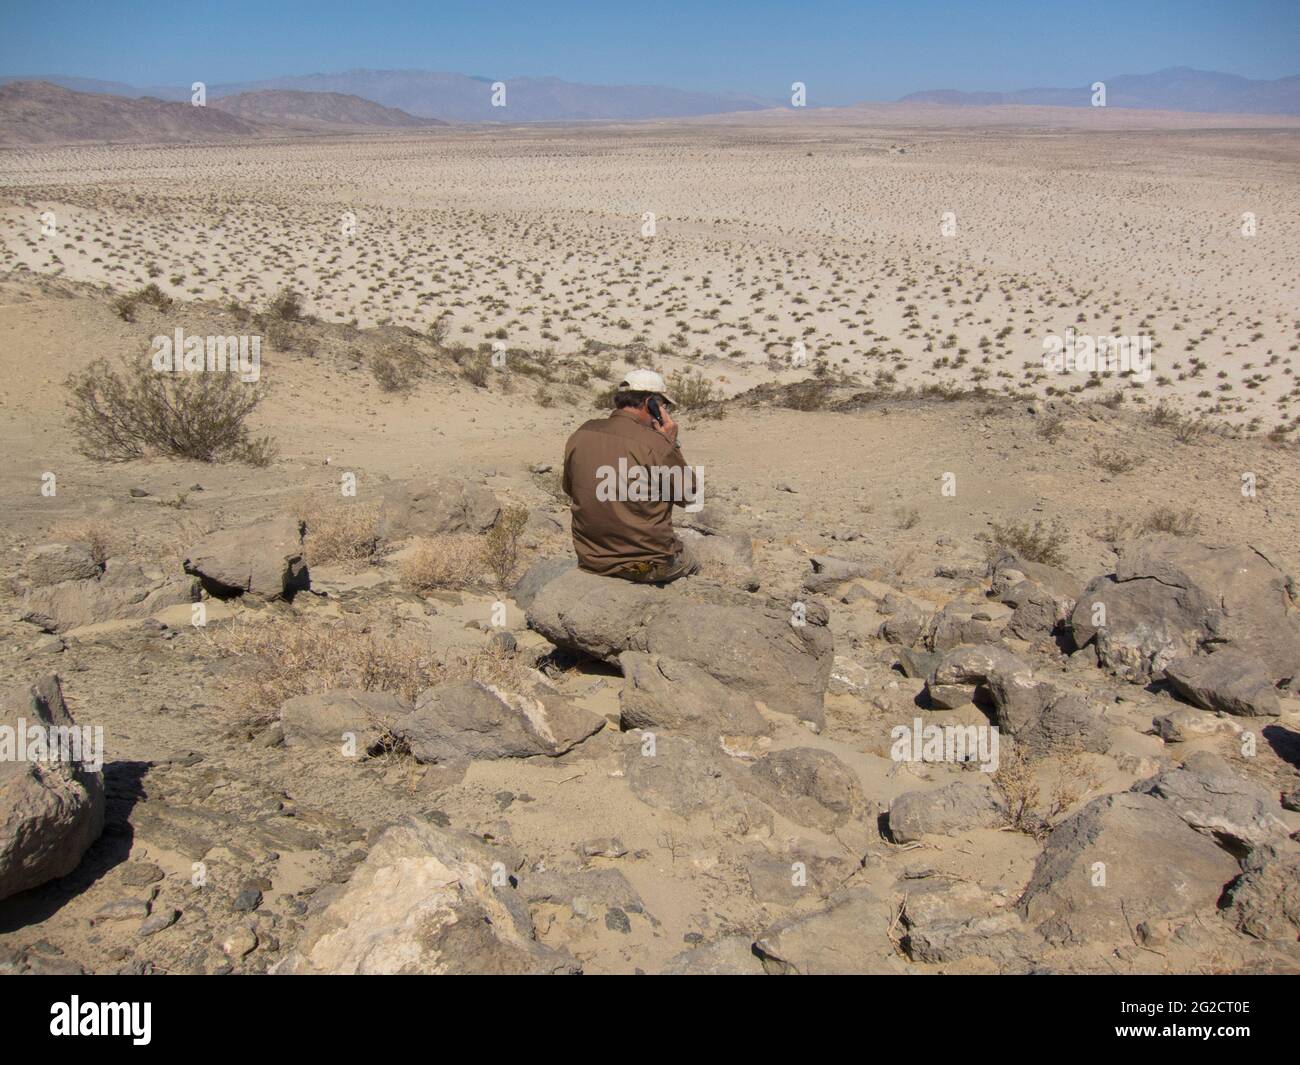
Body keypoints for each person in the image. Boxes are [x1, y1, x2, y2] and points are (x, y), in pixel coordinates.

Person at [562, 369, 701, 584]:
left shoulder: (582, 433)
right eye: (664, 406)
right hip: (644, 567)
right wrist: (671, 443)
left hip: (592, 559)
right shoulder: (656, 444)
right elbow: (692, 497)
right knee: (692, 559)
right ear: (651, 404)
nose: (665, 411)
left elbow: (570, 488)